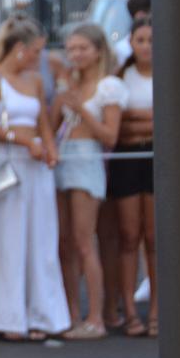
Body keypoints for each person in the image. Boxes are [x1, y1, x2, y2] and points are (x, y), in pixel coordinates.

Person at [0, 16, 71, 342]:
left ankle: (43, 314)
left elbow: (43, 119)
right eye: (35, 51)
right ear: (19, 49)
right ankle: (10, 316)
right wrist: (22, 140)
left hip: (36, 164)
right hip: (7, 165)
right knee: (7, 242)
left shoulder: (35, 80)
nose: (38, 57)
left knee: (42, 239)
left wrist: (49, 147)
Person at [50, 23, 125, 340]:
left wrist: (81, 108)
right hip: (63, 156)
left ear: (97, 50)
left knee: (84, 241)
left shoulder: (109, 85)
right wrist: (61, 98)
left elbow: (110, 135)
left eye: (82, 48)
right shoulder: (70, 83)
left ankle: (96, 317)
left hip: (87, 159)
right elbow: (53, 125)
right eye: (71, 48)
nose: (76, 54)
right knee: (64, 244)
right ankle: (71, 314)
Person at [109, 15, 156, 336]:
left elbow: (171, 119)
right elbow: (119, 126)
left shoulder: (170, 74)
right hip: (126, 159)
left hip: (155, 159)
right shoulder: (121, 76)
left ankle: (156, 309)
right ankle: (128, 310)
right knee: (128, 236)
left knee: (154, 238)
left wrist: (136, 121)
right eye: (140, 40)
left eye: (152, 41)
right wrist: (147, 120)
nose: (147, 47)